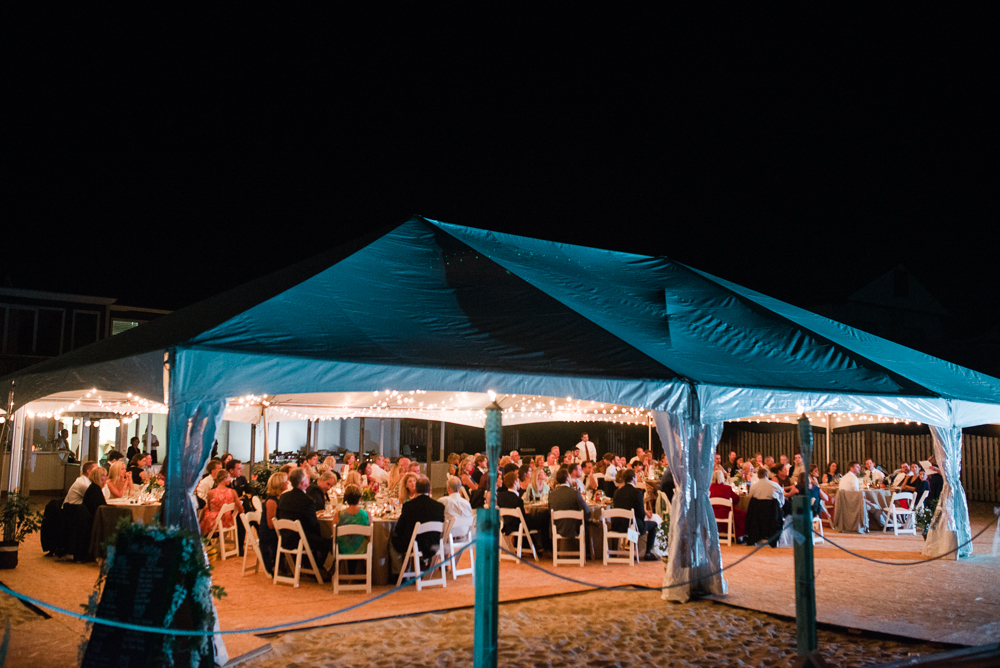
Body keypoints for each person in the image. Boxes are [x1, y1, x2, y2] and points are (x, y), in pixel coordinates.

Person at [390, 476, 444, 577]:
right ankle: (422, 564)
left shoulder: (409, 506)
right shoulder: (439, 506)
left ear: (417, 489)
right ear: (429, 489)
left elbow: (399, 528)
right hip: (433, 543)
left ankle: (397, 573)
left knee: (392, 539)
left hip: (414, 544)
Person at [276, 468, 328, 568]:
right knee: (328, 542)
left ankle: (307, 564)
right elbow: (313, 525)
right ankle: (318, 568)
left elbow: (278, 516)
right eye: (306, 477)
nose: (308, 478)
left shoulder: (283, 497)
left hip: (284, 538)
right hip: (300, 540)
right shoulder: (307, 500)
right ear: (303, 482)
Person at [612, 468, 659, 560]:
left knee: (635, 522)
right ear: (633, 478)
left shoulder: (617, 492)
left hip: (618, 526)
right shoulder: (637, 492)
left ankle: (633, 547)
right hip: (632, 525)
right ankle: (647, 554)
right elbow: (641, 514)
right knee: (653, 524)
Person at [332, 484, 370, 574]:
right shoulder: (366, 514)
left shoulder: (338, 514)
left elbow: (333, 534)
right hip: (361, 549)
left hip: (342, 548)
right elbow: (368, 536)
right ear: (359, 499)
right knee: (361, 541)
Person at [257, 472, 288, 574]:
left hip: (273, 533)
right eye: (286, 481)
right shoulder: (271, 501)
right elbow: (271, 524)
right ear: (280, 484)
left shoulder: (279, 498)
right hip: (269, 536)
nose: (288, 483)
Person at [200, 469, 244, 536]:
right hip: (228, 521)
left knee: (204, 513)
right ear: (225, 479)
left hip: (215, 522)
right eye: (229, 478)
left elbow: (210, 508)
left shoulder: (210, 493)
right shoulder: (233, 492)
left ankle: (201, 537)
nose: (230, 480)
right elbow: (240, 510)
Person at [709, 469, 746, 541]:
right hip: (725, 513)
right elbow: (736, 499)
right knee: (742, 514)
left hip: (711, 513)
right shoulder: (727, 488)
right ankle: (739, 537)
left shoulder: (709, 488)